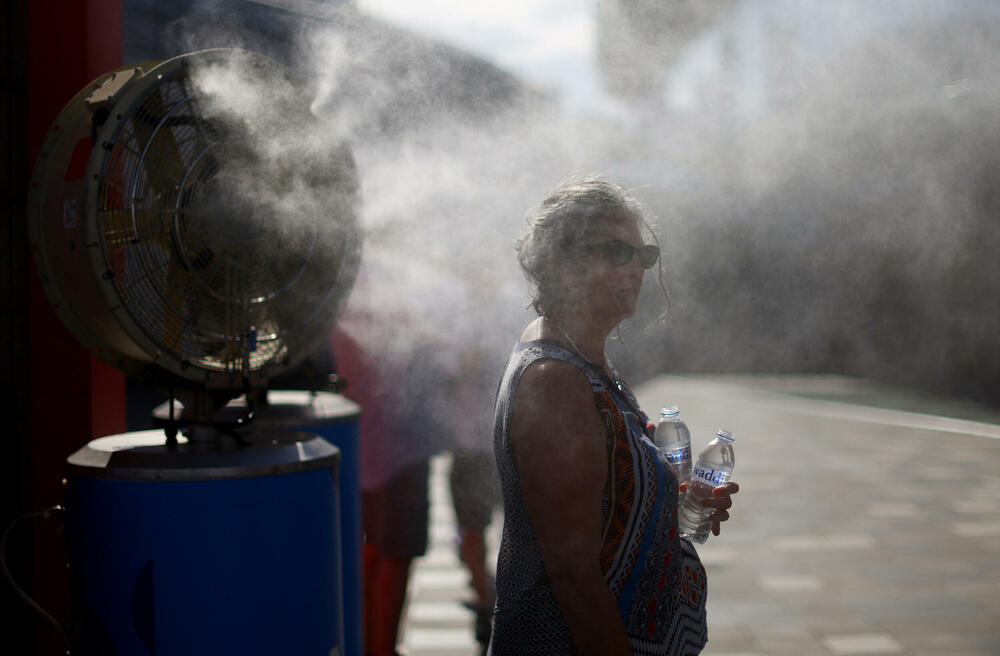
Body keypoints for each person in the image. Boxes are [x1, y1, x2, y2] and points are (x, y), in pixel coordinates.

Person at [488, 174, 739, 655]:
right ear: (561, 263)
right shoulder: (555, 381)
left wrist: (680, 503)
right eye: (617, 252)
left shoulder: (584, 358)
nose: (637, 270)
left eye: (642, 255)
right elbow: (573, 575)